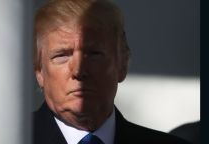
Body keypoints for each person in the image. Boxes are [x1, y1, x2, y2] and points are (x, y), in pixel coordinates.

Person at [32, 0, 191, 143]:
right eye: (62, 56)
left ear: (122, 65)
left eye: (94, 54)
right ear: (39, 71)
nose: (79, 70)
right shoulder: (10, 137)